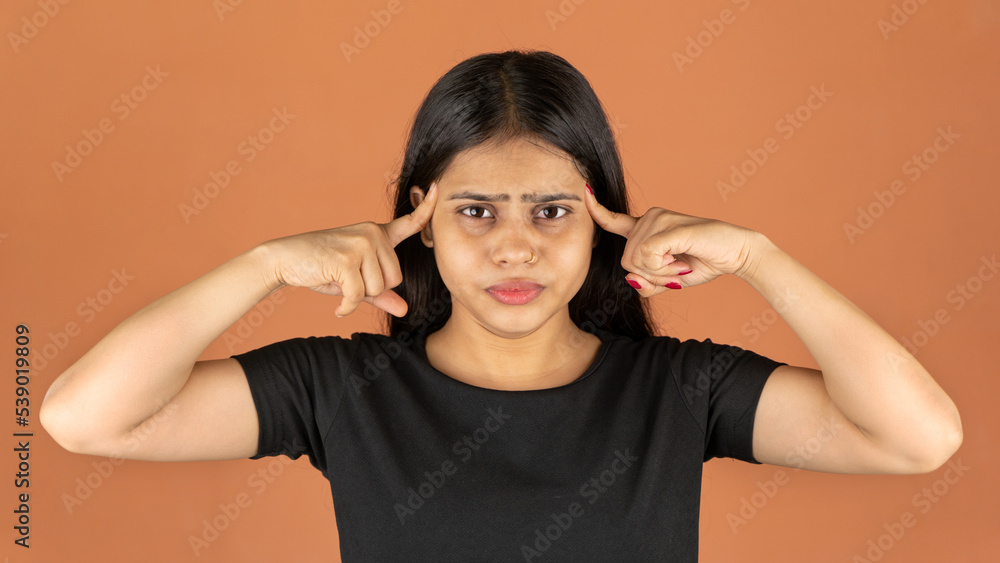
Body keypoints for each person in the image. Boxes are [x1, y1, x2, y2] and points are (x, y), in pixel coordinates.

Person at [40, 50, 962, 562]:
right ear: (421, 220)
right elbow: (85, 417)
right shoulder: (340, 387)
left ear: (603, 219)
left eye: (553, 211)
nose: (515, 246)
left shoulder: (682, 389)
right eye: (476, 210)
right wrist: (261, 263)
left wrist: (761, 257)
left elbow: (919, 437)